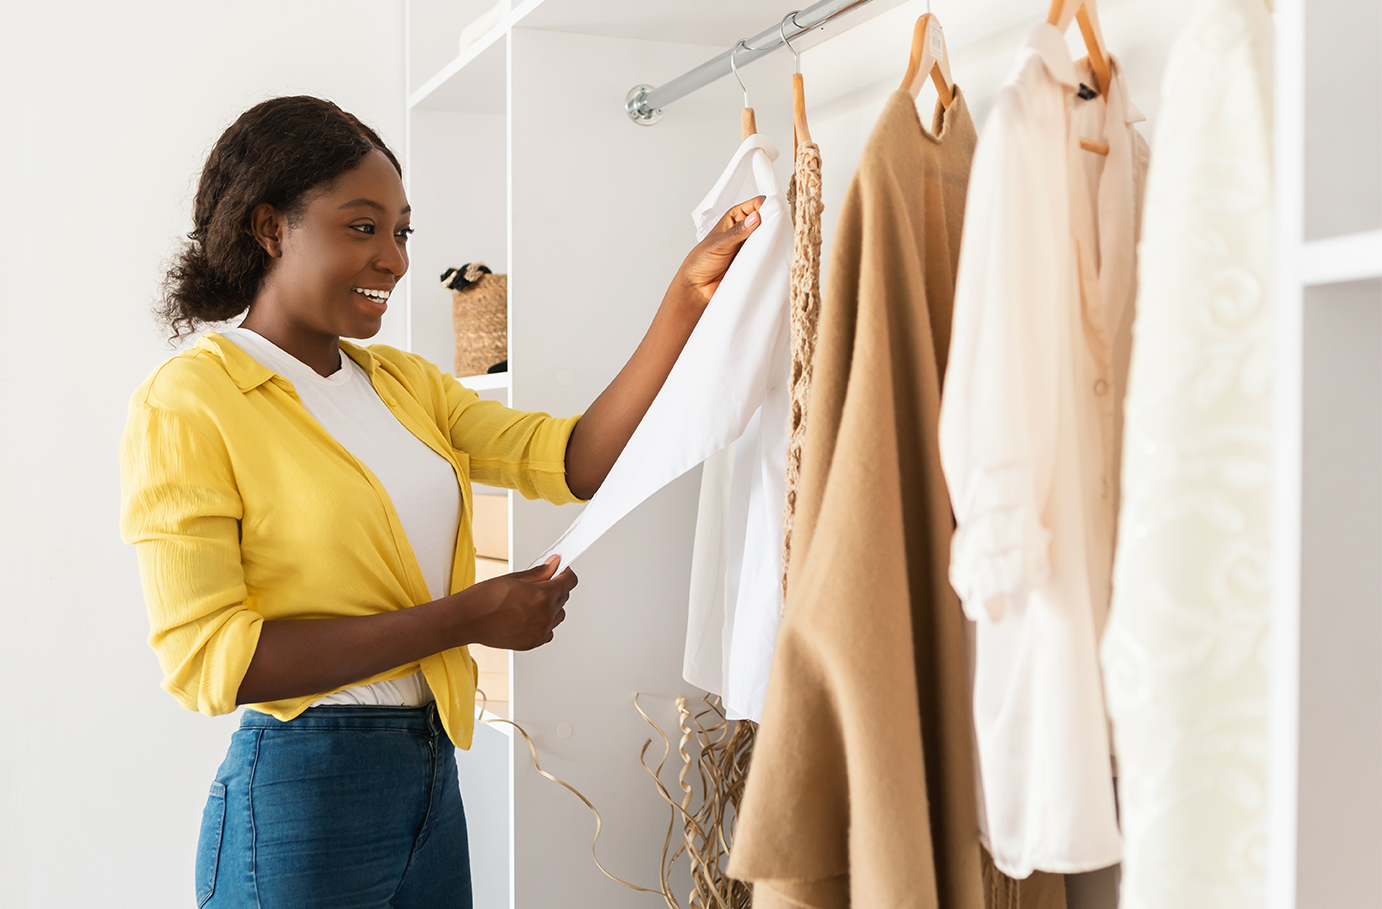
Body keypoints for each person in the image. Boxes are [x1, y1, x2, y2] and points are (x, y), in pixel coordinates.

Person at [119, 95, 763, 908]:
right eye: (363, 227)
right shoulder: (191, 400)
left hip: (430, 768)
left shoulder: (404, 384)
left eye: (402, 231)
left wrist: (687, 300)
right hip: (300, 793)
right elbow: (211, 659)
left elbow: (575, 459)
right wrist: (468, 617)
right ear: (271, 228)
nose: (393, 258)